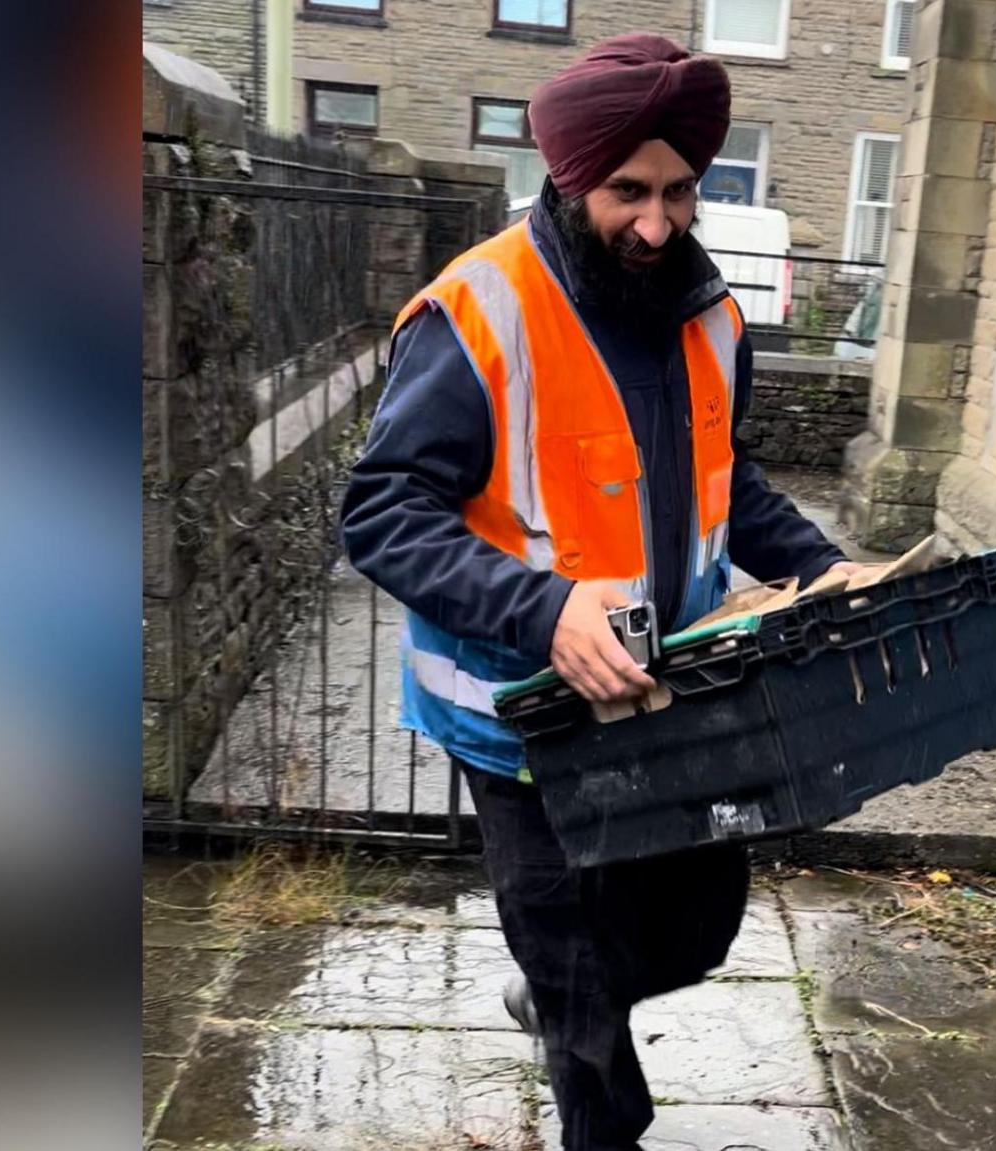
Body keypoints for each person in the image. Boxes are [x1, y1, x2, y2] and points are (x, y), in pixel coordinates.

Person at [340, 33, 858, 1151]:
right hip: (519, 715)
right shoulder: (475, 310)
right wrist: (544, 609)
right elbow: (380, 511)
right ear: (569, 180)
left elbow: (727, 480)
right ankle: (590, 1082)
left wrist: (824, 566)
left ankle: (560, 994)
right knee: (575, 960)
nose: (658, 222)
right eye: (628, 191)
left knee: (697, 926)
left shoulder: (710, 314)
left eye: (680, 191)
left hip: (669, 694)